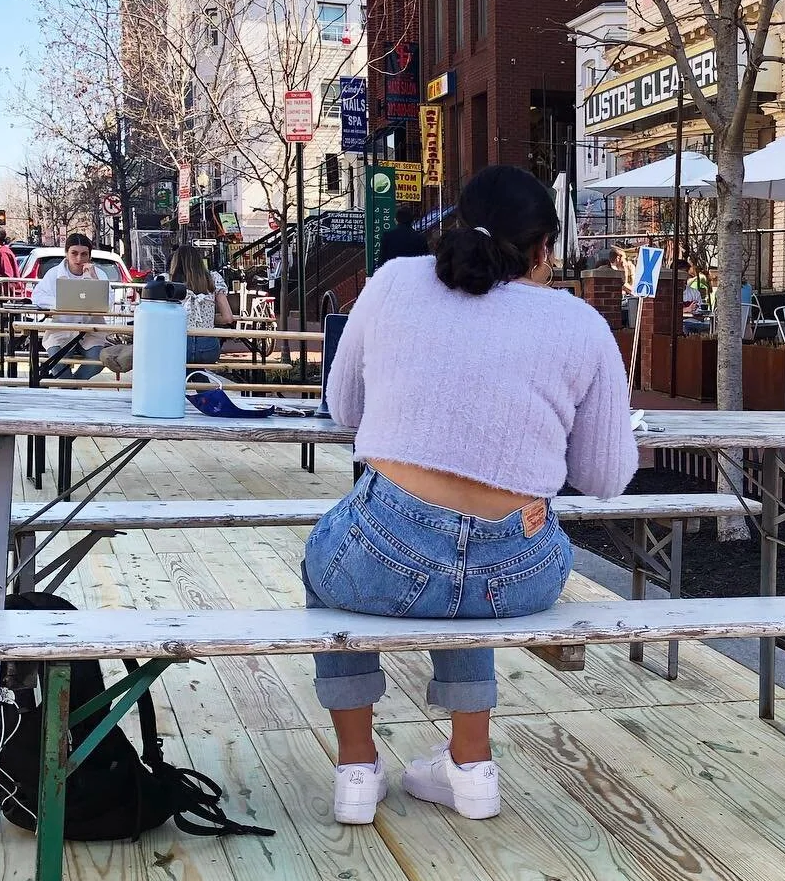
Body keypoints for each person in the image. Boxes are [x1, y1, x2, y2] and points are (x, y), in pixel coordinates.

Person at [303, 164, 638, 826]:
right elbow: (605, 479)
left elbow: (343, 409)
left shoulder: (396, 281)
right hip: (518, 573)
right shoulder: (581, 324)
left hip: (381, 559)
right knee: (476, 563)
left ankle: (356, 769)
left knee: (324, 563)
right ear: (545, 250)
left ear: (455, 223)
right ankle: (471, 765)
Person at [30, 233, 112, 379]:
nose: (79, 259)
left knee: (98, 361)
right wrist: (62, 303)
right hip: (60, 331)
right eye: (74, 253)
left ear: (89, 256)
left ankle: (72, 386)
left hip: (92, 333)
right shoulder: (53, 273)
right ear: (66, 253)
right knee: (56, 362)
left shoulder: (100, 274)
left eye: (84, 254)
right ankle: (68, 387)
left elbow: (109, 302)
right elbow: (37, 296)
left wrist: (94, 279)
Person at [169, 244, 234, 369]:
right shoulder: (214, 279)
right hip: (208, 346)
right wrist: (207, 318)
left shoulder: (168, 282)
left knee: (180, 376)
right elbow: (228, 318)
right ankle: (208, 388)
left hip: (179, 344)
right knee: (197, 373)